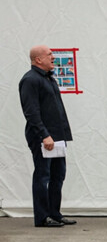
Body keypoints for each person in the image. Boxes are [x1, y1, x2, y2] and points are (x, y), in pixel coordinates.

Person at [19, 45, 76, 227]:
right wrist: (44, 135)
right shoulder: (30, 80)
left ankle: (54, 213)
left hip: (57, 137)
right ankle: (42, 218)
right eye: (49, 54)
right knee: (43, 175)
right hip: (44, 138)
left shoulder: (49, 78)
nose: (53, 57)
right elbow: (31, 112)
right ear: (38, 60)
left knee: (58, 175)